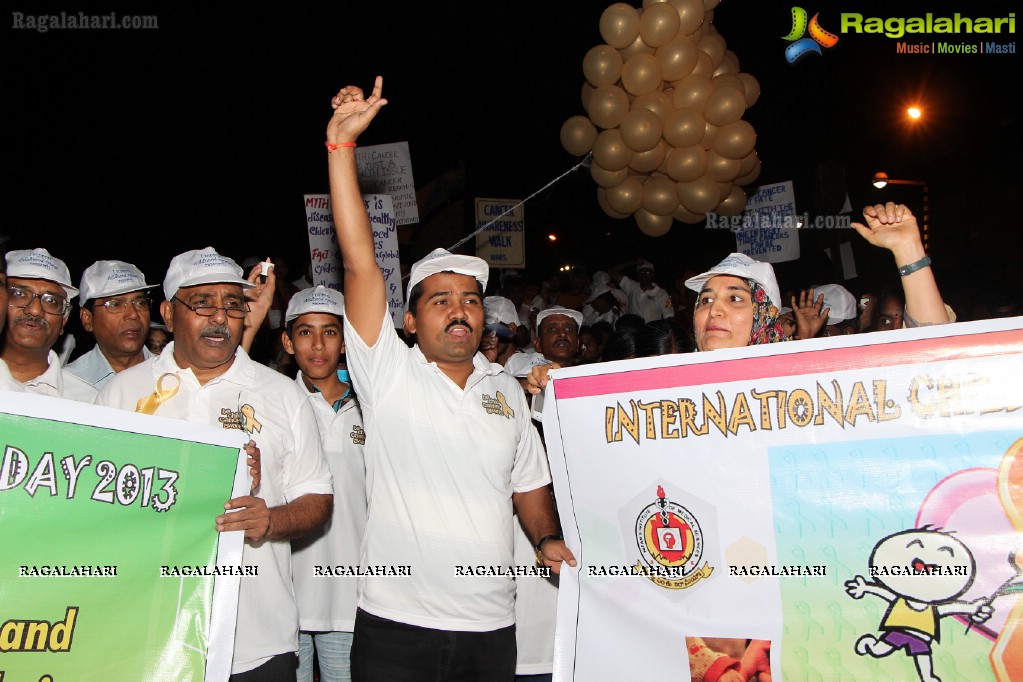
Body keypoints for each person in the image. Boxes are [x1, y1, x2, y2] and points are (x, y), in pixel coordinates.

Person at [325, 75, 575, 681]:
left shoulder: (508, 394)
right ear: (408, 319)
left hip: (492, 629)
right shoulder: (387, 372)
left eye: (470, 298)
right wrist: (341, 151)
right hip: (394, 624)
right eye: (439, 300)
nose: (460, 309)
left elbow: (529, 486)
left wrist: (545, 541)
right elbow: (361, 263)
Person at [96, 246, 333, 679]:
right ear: (168, 314)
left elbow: (317, 498)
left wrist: (270, 520)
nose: (220, 317)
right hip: (148, 639)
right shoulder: (120, 395)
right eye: (202, 303)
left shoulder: (282, 394)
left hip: (258, 643)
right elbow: (98, 511)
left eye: (232, 304)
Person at [282, 286, 366, 682]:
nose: (318, 345)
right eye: (305, 332)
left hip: (350, 597)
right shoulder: (275, 404)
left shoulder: (373, 407)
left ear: (346, 342)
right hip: (285, 594)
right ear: (287, 340)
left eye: (330, 332)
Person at [1, 248, 96, 402]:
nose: (35, 310)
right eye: (19, 294)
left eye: (51, 301)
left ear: (64, 320)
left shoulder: (89, 402)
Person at [65, 260, 158, 390]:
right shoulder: (67, 385)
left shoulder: (174, 375)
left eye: (140, 303)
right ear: (87, 319)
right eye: (115, 304)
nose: (133, 314)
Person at [608, 258, 674, 323]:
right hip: (631, 332)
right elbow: (612, 272)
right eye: (641, 272)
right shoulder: (631, 286)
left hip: (650, 332)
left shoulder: (662, 294)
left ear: (653, 275)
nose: (644, 275)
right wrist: (632, 262)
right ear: (637, 275)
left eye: (648, 272)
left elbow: (669, 316)